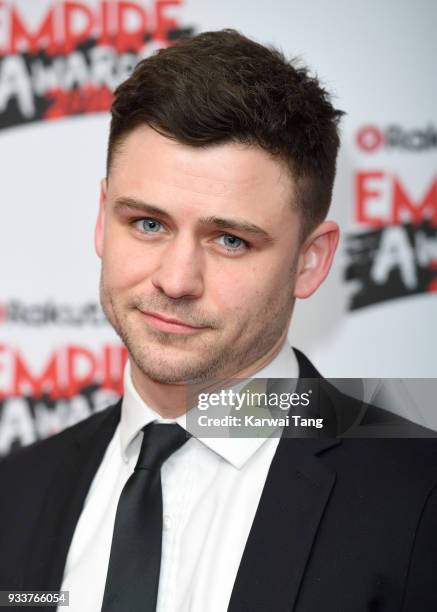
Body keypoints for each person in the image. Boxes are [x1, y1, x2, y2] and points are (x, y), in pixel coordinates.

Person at [1, 29, 436, 612]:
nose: (176, 280)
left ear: (310, 261)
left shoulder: (419, 499)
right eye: (148, 224)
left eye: (230, 239)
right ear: (103, 219)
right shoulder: (17, 489)